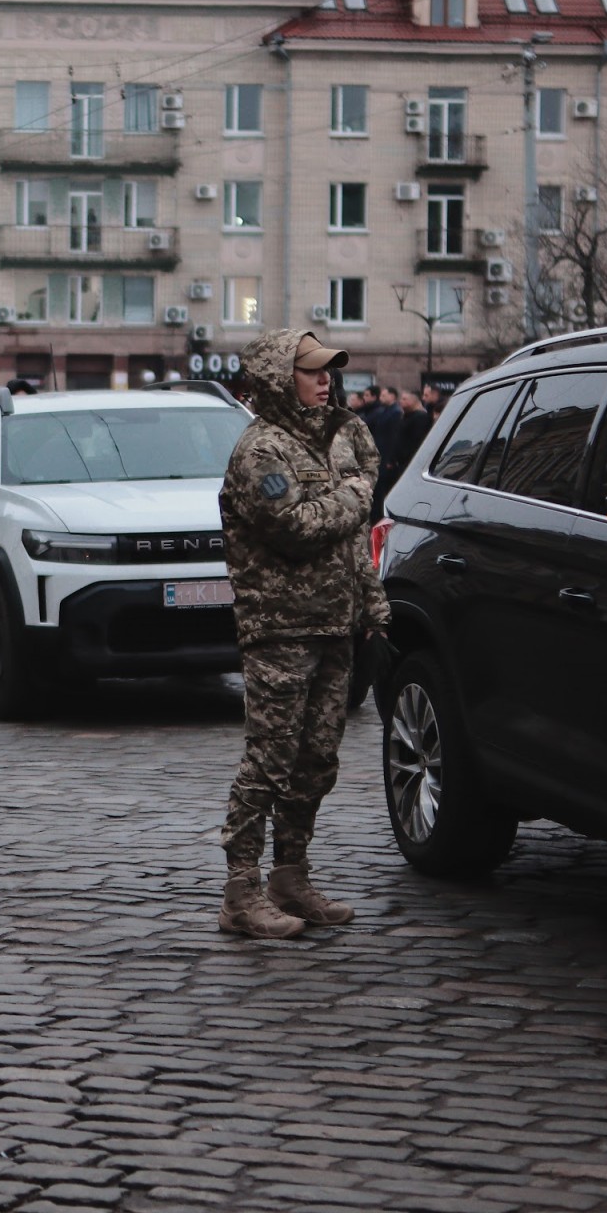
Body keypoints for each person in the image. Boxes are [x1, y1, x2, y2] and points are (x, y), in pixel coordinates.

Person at [216, 329, 389, 940]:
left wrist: (373, 605)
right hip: (280, 627)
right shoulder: (261, 451)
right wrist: (354, 496)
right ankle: (241, 889)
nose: (326, 380)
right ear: (276, 379)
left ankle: (291, 875)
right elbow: (294, 526)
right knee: (270, 759)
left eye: (329, 371)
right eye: (312, 371)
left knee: (317, 760)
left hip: (334, 624)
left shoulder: (335, 442)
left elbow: (348, 541)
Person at [385, 388, 434, 487]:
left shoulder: (421, 417)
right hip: (399, 463)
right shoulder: (405, 416)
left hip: (409, 462)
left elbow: (417, 441)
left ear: (414, 400)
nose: (401, 401)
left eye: (404, 399)